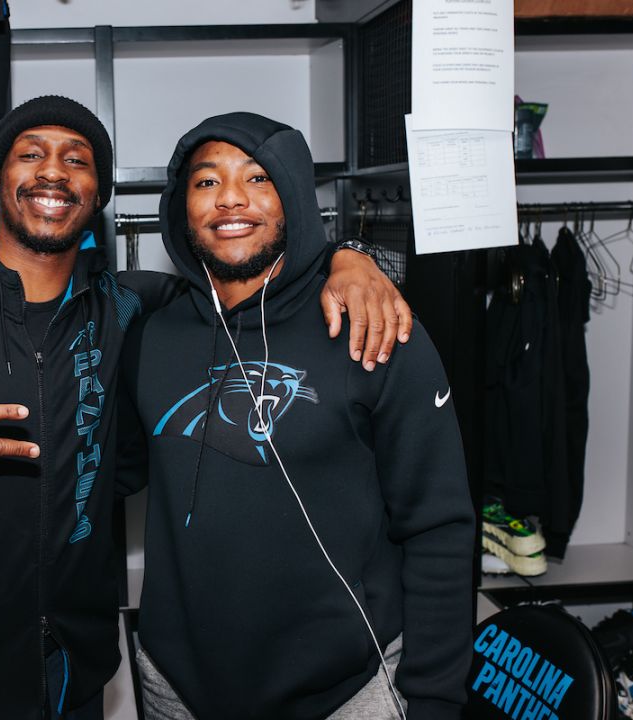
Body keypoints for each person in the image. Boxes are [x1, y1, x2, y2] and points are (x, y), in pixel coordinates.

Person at [0, 96, 412, 719]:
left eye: (77, 160)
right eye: (30, 154)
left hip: (73, 677)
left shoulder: (130, 308)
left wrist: (350, 255)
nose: (54, 171)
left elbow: (245, 273)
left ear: (97, 197)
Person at [118, 112, 475, 720]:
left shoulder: (375, 328)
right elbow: (106, 472)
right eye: (206, 182)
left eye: (258, 178)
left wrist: (437, 699)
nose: (230, 197)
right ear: (181, 208)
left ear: (294, 198)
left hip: (346, 691)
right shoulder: (151, 334)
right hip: (177, 688)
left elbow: (439, 528)